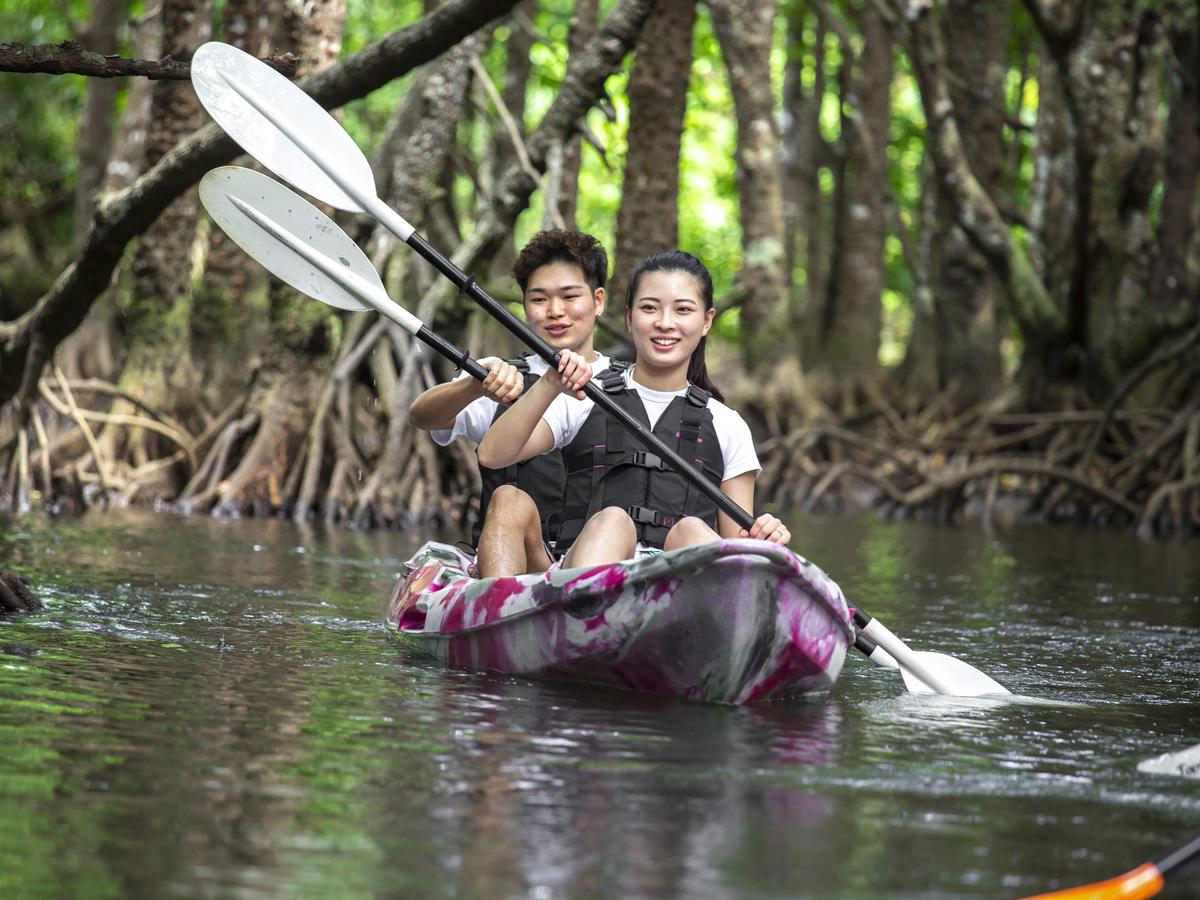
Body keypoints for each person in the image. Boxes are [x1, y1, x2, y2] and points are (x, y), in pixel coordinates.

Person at [477, 249, 788, 570]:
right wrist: (550, 385)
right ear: (628, 317)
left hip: (679, 586)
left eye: (682, 310)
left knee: (691, 530)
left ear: (706, 321)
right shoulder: (584, 395)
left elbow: (736, 542)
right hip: (582, 573)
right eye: (650, 308)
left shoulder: (727, 424)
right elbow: (492, 454)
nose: (665, 323)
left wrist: (760, 540)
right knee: (533, 504)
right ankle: (519, 611)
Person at [407, 229, 612, 576]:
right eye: (539, 299)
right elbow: (421, 416)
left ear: (599, 301)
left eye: (570, 296)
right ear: (525, 306)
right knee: (507, 499)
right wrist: (472, 386)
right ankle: (497, 607)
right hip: (514, 562)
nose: (555, 311)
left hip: (595, 565)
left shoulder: (629, 385)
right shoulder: (497, 377)